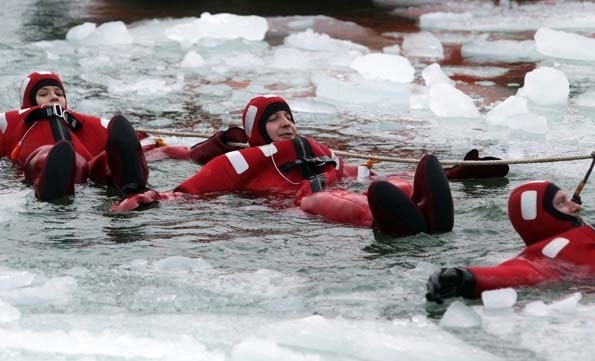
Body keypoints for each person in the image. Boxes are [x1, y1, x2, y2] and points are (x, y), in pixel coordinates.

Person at [117, 94, 456, 237]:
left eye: (289, 117)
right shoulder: (241, 161)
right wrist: (147, 197)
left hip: (339, 185)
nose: (286, 124)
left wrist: (449, 174)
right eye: (274, 119)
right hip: (297, 204)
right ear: (255, 130)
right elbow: (188, 191)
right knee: (327, 200)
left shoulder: (317, 149)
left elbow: (361, 173)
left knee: (389, 182)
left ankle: (423, 204)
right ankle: (388, 220)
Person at [425, 180, 589, 304]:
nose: (575, 206)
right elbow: (515, 273)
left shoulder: (581, 236)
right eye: (561, 203)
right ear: (540, 216)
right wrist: (465, 278)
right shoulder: (549, 257)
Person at [0, 71, 150, 201]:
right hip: (41, 162)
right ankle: (53, 185)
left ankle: (127, 180)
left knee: (105, 160)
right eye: (43, 94)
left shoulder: (83, 123)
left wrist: (147, 141)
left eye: (58, 93)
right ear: (29, 101)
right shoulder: (11, 122)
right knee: (47, 158)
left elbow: (133, 137)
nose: (53, 97)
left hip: (85, 163)